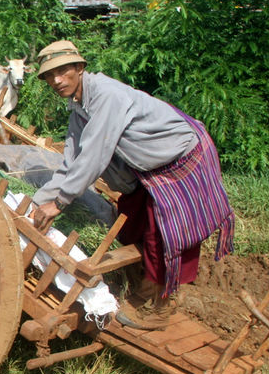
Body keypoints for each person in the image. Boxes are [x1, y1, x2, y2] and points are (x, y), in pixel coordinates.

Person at [31, 40, 234, 329]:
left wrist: (60, 203)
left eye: (63, 71)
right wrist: (41, 202)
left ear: (79, 67)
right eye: (50, 76)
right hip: (146, 169)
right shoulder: (78, 108)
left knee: (162, 234)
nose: (57, 80)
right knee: (131, 225)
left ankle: (163, 304)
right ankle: (145, 287)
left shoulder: (106, 96)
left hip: (180, 158)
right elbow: (71, 161)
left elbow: (94, 157)